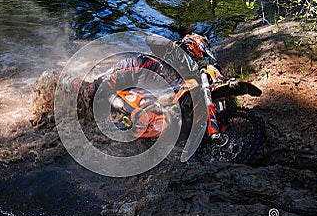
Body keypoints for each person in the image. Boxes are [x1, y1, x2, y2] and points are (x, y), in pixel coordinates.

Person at [72, 33, 226, 145]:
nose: (198, 59)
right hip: (136, 68)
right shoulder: (173, 51)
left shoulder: (191, 71)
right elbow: (150, 39)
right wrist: (172, 46)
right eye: (198, 54)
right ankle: (83, 90)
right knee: (95, 88)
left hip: (154, 90)